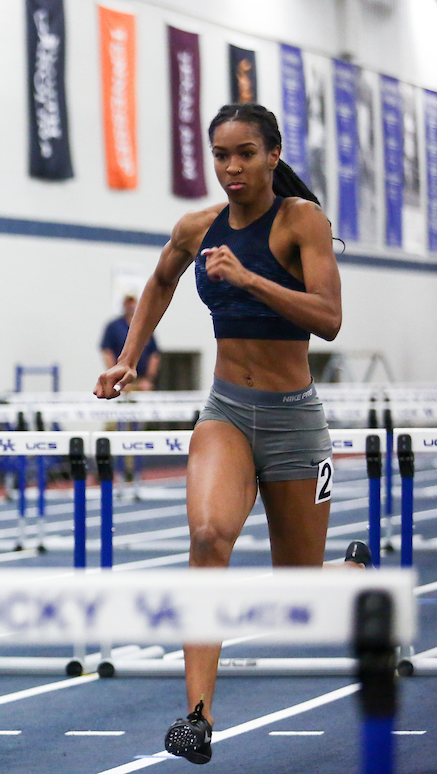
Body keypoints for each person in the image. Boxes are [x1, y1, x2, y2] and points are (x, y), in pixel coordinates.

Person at [93, 104, 364, 765]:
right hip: (226, 411)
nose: (231, 167)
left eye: (244, 153)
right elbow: (160, 282)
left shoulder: (304, 223)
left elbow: (328, 319)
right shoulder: (196, 228)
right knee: (208, 538)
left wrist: (249, 279)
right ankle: (196, 717)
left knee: (295, 584)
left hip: (294, 416)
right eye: (220, 156)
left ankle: (349, 574)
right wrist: (130, 355)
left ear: (273, 154)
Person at [100, 293, 160, 390]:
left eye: (133, 303)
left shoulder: (145, 326)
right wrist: (115, 377)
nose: (131, 306)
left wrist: (149, 378)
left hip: (142, 380)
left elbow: (154, 354)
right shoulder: (114, 327)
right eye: (128, 303)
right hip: (121, 379)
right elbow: (107, 352)